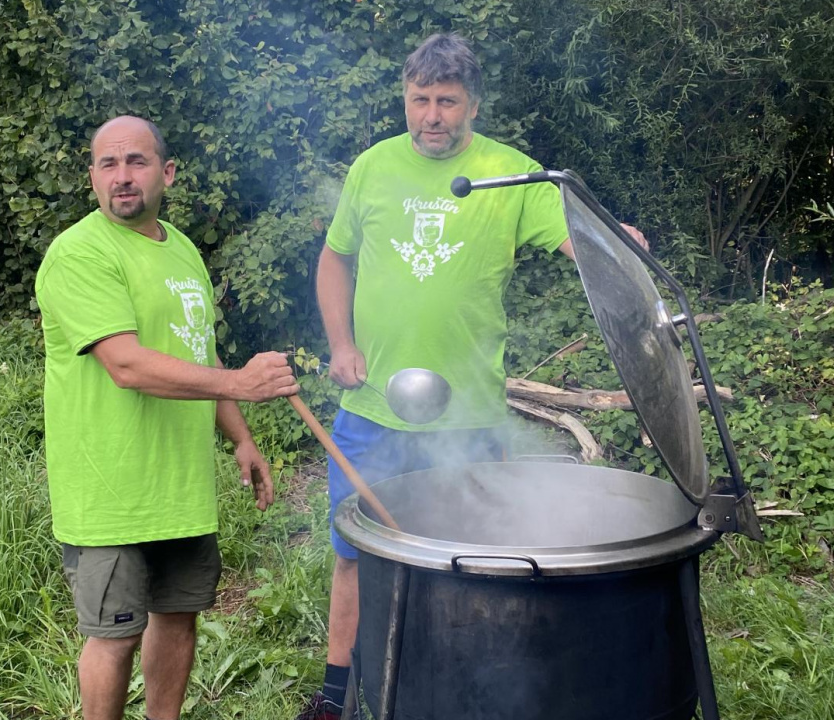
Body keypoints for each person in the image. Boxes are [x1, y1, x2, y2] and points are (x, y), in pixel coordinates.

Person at [298, 34, 648, 720]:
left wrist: (614, 247)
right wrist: (340, 344)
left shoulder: (509, 173)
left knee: (477, 558)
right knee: (354, 553)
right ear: (405, 98)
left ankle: (468, 684)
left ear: (473, 105)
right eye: (420, 99)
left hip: (472, 414)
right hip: (372, 409)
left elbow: (575, 237)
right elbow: (334, 259)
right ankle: (339, 690)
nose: (432, 115)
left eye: (447, 102)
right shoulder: (373, 167)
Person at [35, 115, 299, 720]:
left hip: (179, 485)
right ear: (93, 177)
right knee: (115, 635)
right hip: (110, 489)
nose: (122, 177)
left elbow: (196, 352)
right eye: (108, 164)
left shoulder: (181, 251)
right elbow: (126, 364)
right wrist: (240, 384)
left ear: (167, 172)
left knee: (178, 618)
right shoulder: (80, 254)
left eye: (137, 162)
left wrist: (241, 437)